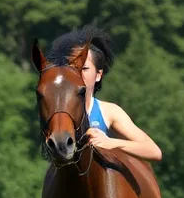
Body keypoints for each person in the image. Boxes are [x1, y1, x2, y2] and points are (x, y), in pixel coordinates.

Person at [46, 27, 162, 163]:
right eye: (72, 67)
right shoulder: (58, 112)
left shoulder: (108, 112)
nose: (77, 73)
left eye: (84, 68)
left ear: (98, 75)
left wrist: (111, 143)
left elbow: (153, 151)